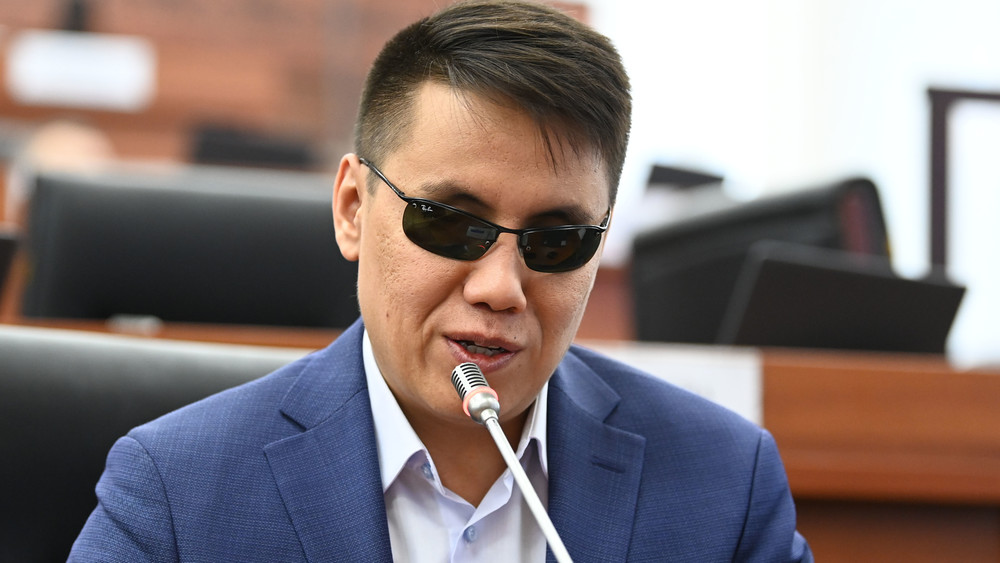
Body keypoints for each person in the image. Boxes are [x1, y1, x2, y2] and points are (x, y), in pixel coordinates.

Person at [70, 1, 813, 561]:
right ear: (353, 208)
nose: (501, 288)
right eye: (451, 223)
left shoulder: (725, 486)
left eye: (556, 240)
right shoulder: (178, 493)